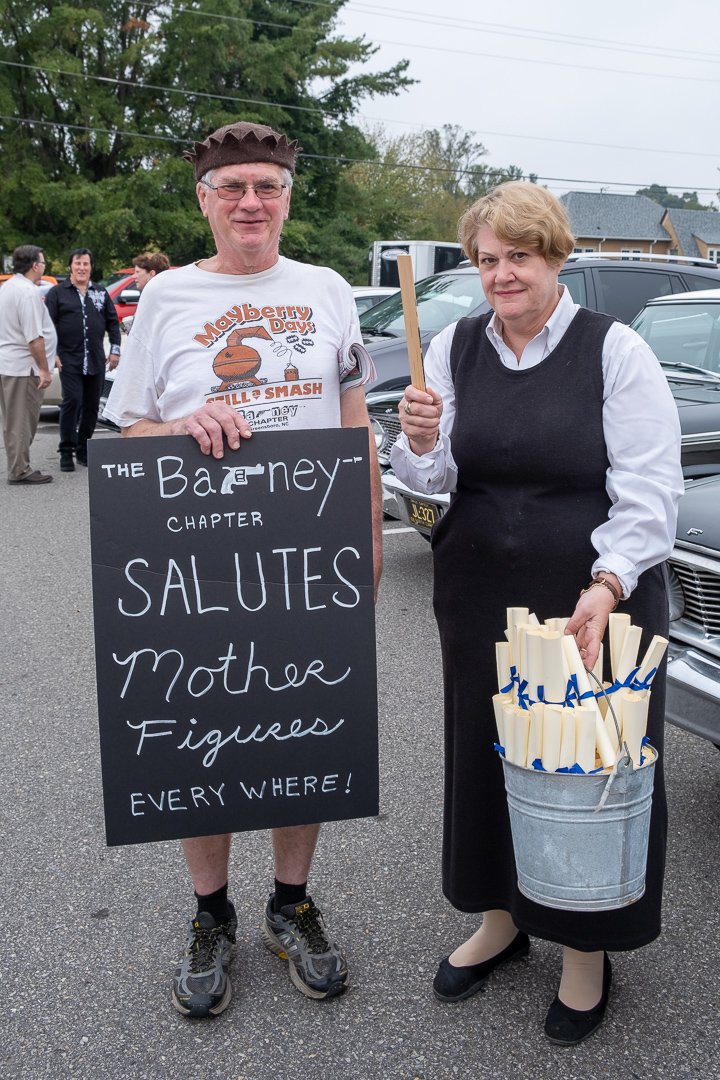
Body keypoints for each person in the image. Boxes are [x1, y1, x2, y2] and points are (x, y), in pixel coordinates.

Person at [391, 181, 683, 1046]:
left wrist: (606, 584)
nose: (501, 275)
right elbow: (432, 488)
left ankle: (586, 952)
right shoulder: (451, 346)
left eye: (518, 256)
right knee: (489, 759)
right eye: (486, 260)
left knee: (588, 771)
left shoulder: (615, 350)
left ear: (554, 258)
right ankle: (501, 919)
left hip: (591, 595)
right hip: (478, 588)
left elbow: (649, 490)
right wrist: (415, 442)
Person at [103, 119, 382, 1018]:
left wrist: (368, 541)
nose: (251, 202)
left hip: (308, 558)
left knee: (301, 733)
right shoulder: (169, 299)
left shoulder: (329, 290)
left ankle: (290, 903)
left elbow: (353, 423)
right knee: (202, 733)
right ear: (205, 200)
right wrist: (182, 426)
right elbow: (126, 429)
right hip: (197, 559)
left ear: (288, 197)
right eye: (233, 188)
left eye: (267, 186)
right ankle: (211, 913)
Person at [45, 248, 121, 471]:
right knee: (72, 402)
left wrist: (115, 350)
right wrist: (53, 353)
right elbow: (48, 326)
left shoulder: (100, 292)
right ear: (70, 266)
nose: (82, 268)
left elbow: (112, 322)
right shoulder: (57, 293)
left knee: (91, 407)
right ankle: (66, 451)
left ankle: (84, 448)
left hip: (96, 361)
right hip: (69, 360)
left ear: (91, 267)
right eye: (78, 263)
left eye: (86, 264)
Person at [0, 244, 56, 484]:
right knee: (22, 421)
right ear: (35, 265)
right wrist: (44, 368)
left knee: (13, 420)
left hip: (9, 364)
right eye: (42, 262)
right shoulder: (27, 292)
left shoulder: (8, 287)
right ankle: (19, 469)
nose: (43, 266)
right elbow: (34, 337)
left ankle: (18, 465)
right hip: (23, 368)